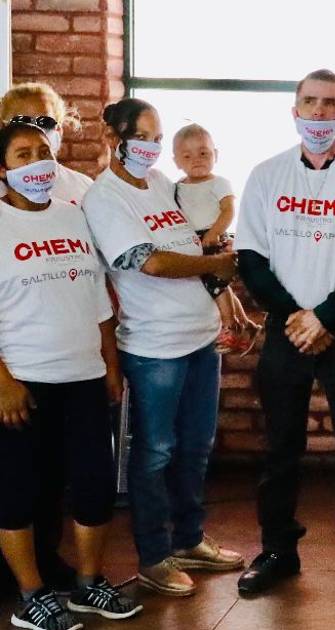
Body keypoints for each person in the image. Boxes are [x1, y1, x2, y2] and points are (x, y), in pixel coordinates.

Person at [234, 69, 335, 596]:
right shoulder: (266, 175)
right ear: (295, 110)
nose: (320, 112)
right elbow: (250, 257)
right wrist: (296, 319)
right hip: (287, 330)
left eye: (330, 103)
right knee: (280, 448)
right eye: (310, 102)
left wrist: (325, 318)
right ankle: (277, 551)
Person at [82, 98, 245, 598]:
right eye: (142, 138)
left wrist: (226, 296)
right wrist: (217, 266)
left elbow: (192, 246)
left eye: (157, 139)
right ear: (113, 138)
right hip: (155, 348)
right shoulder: (104, 198)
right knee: (154, 454)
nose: (151, 148)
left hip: (200, 338)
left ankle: (189, 539)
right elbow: (149, 261)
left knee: (196, 447)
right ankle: (154, 557)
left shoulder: (158, 183)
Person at [0, 121, 142, 629]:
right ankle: (30, 595)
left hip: (84, 375)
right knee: (18, 492)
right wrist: (3, 382)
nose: (37, 162)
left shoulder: (73, 215)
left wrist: (110, 364)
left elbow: (98, 297)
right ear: (3, 169)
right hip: (23, 381)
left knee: (93, 485)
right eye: (22, 155)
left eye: (43, 151)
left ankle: (88, 582)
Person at [0, 81, 96, 596]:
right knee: (13, 476)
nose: (36, 135)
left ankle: (46, 561)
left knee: (53, 473)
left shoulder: (81, 192)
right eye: (22, 124)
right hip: (14, 362)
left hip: (69, 359)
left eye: (46, 124)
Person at [172, 123, 258, 355]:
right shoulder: (176, 187)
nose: (196, 160)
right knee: (216, 286)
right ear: (176, 161)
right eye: (187, 156)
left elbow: (228, 210)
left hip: (213, 238)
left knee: (216, 284)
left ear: (215, 155)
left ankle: (230, 326)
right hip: (193, 241)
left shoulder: (219, 183)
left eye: (203, 153)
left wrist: (214, 233)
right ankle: (246, 324)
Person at [0, 82, 93, 206]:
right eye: (22, 123)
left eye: (45, 122)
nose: (34, 131)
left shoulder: (84, 189)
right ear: (4, 128)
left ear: (59, 130)